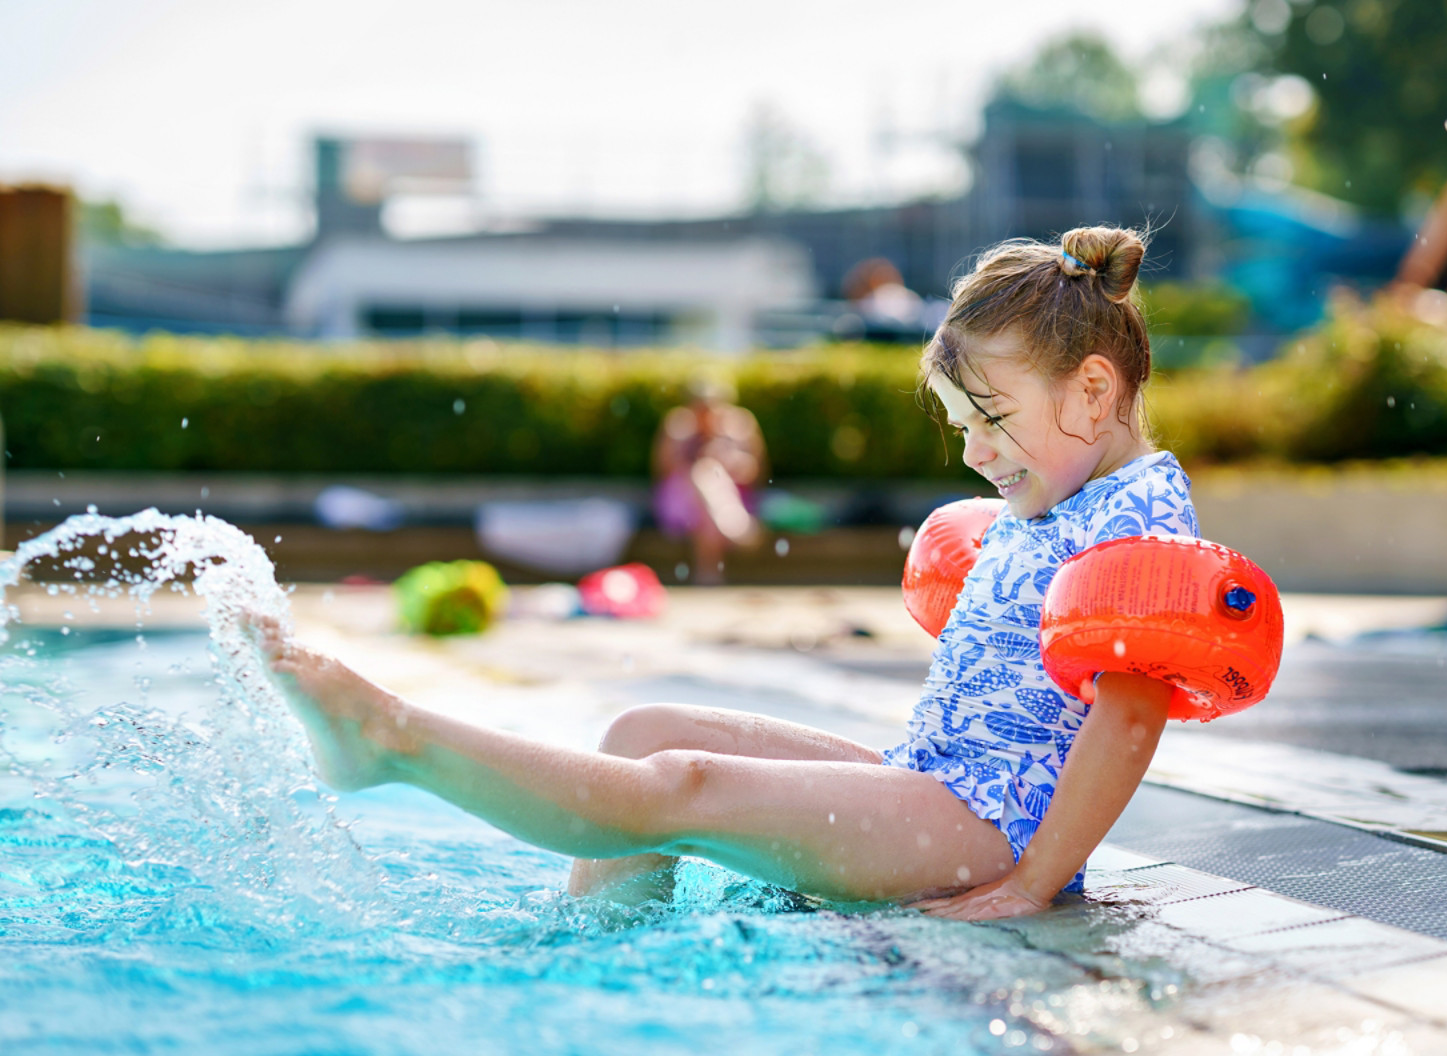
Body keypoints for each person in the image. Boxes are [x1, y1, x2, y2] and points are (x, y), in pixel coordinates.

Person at [252, 225, 1201, 920]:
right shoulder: (1054, 498)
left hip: (988, 829)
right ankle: (596, 960)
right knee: (641, 728)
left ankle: (396, 739)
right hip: (938, 783)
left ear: (1092, 388)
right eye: (963, 428)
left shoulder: (1142, 517)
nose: (976, 454)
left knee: (686, 784)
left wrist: (1031, 886)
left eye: (992, 419)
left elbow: (1128, 714)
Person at [651, 379, 766, 584]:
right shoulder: (678, 427)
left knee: (708, 500)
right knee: (703, 474)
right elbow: (662, 470)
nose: (706, 414)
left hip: (732, 498)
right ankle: (732, 527)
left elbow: (756, 473)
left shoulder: (740, 427)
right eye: (700, 408)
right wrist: (692, 458)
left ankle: (708, 575)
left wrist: (729, 462)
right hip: (684, 503)